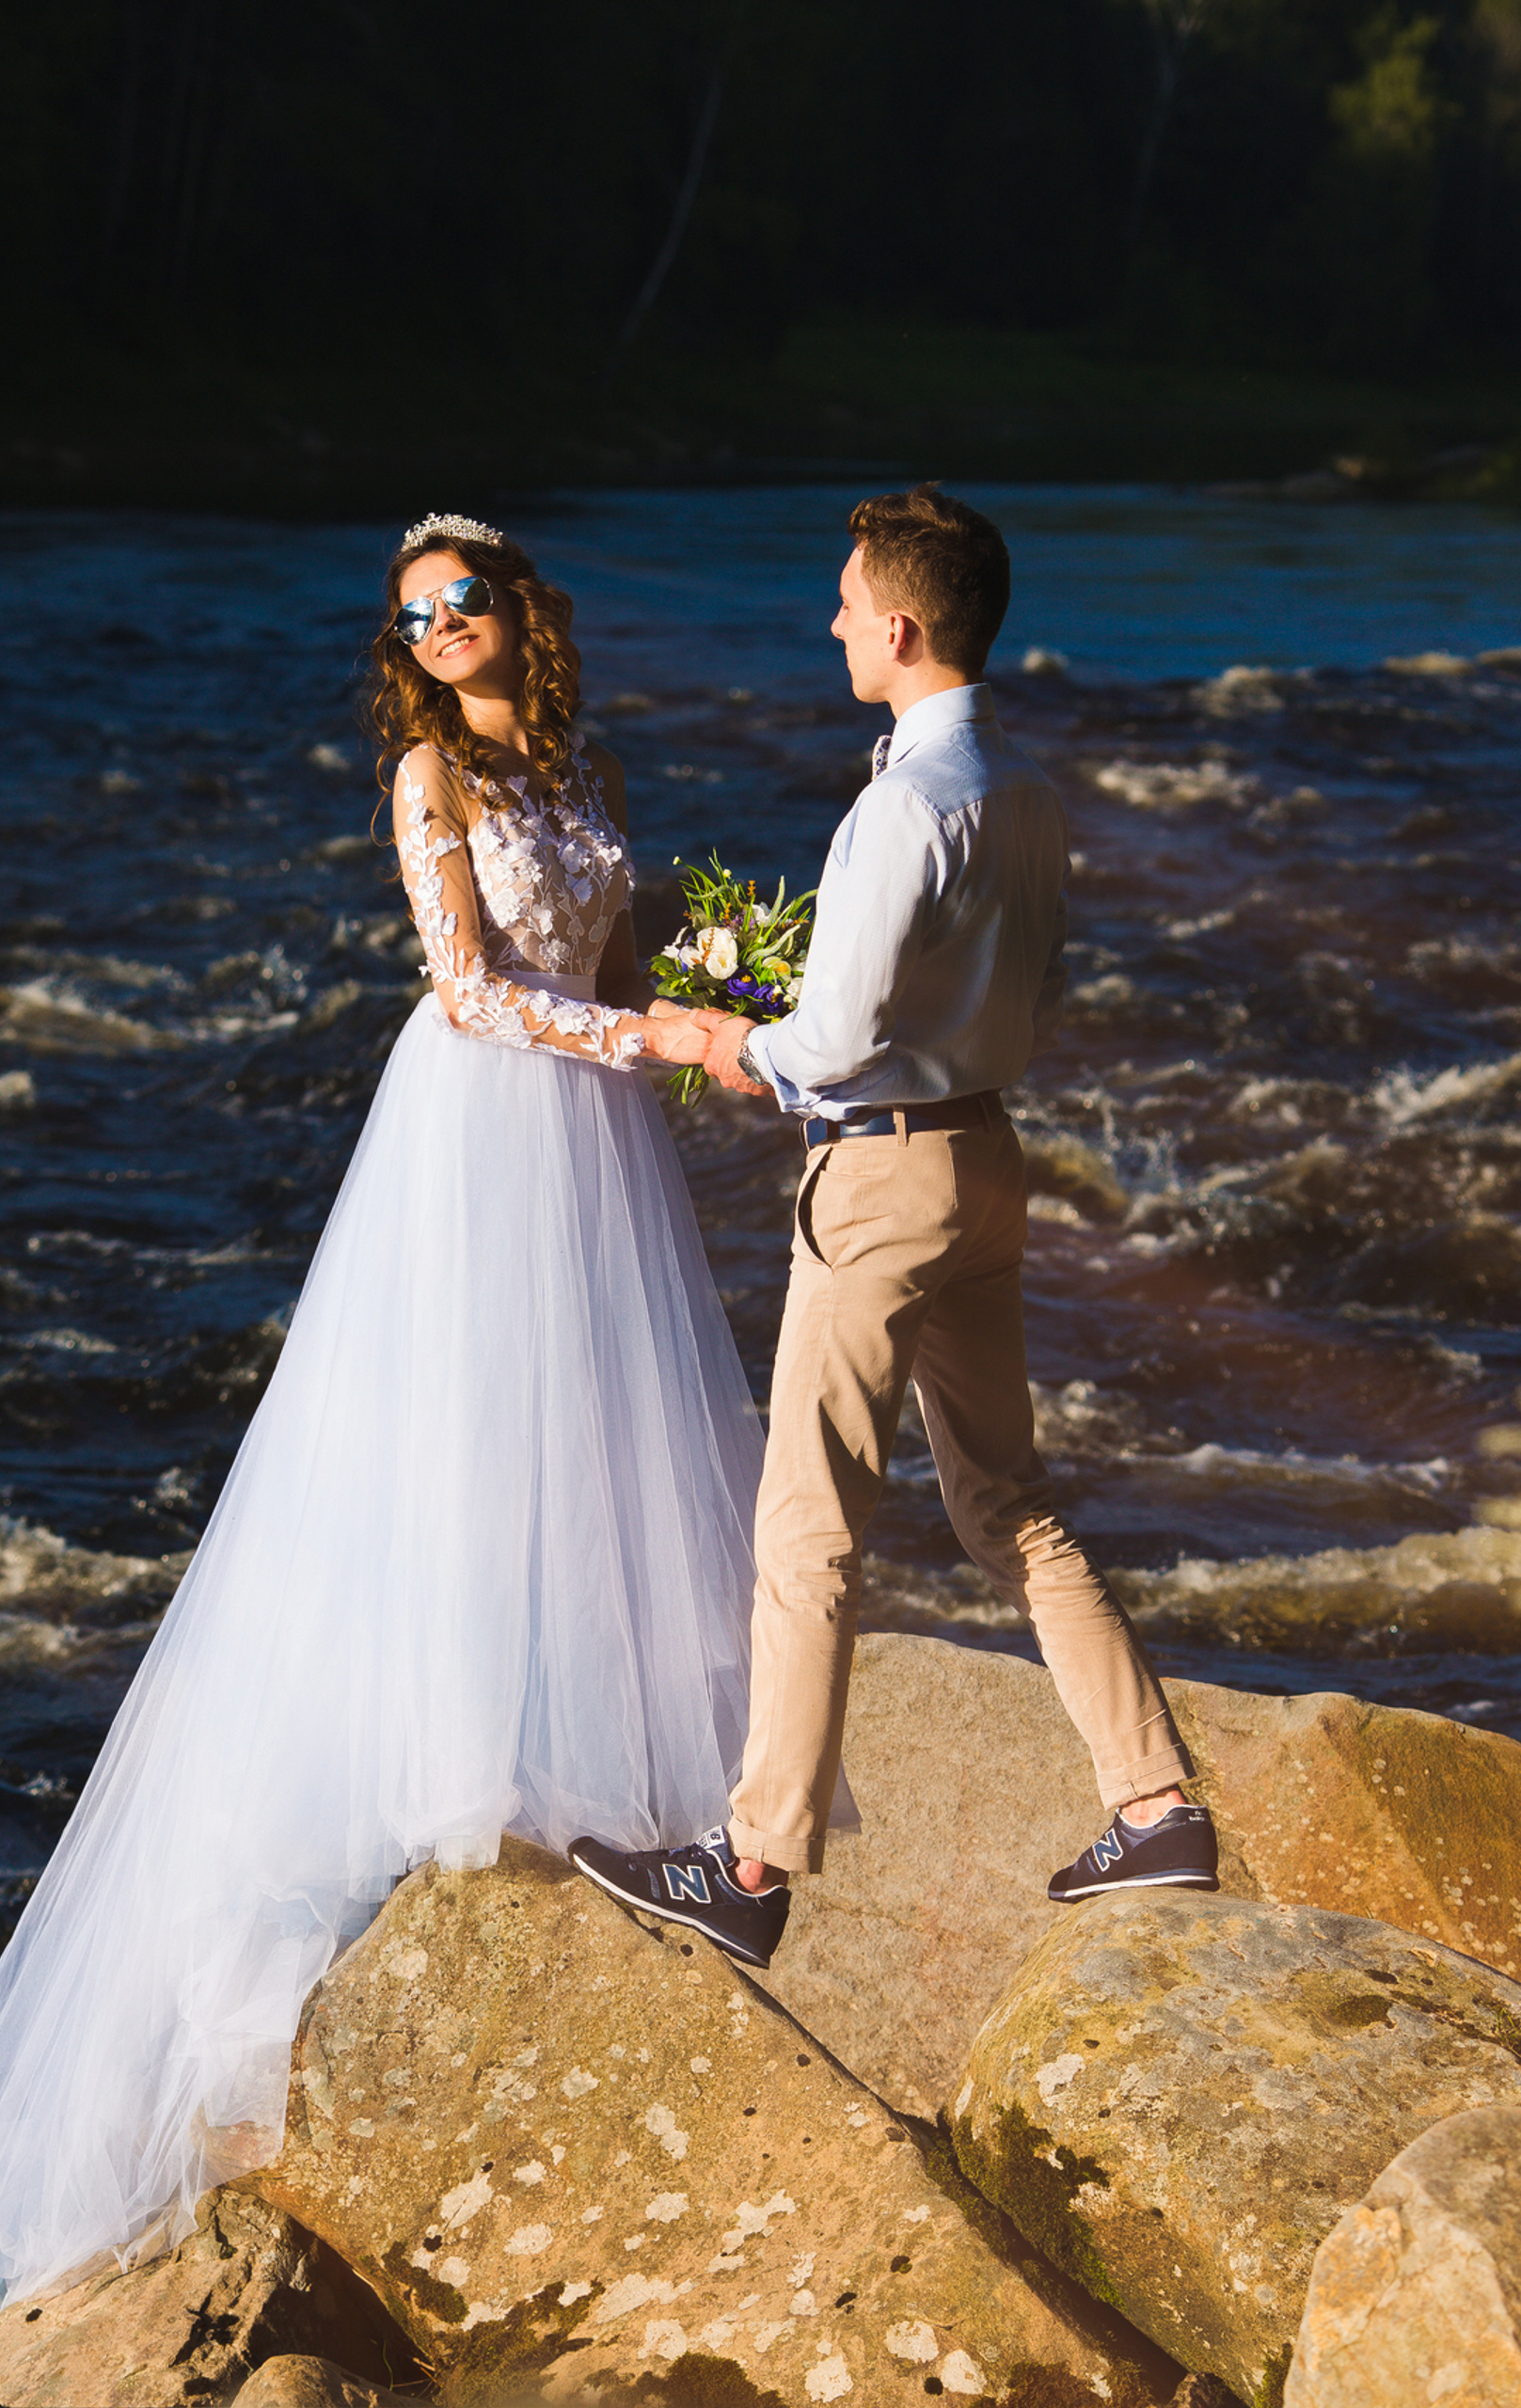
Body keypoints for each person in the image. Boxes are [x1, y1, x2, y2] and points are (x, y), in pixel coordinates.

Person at [0, 513, 848, 2311]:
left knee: (597, 1445)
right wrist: (649, 1039)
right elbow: (471, 988)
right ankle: (447, 1778)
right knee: (454, 1438)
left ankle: (609, 1797)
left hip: (592, 1132)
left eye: (461, 604)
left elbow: (616, 947)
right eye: (412, 619)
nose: (436, 635)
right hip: (485, 1127)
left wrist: (718, 989)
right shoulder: (425, 771)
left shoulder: (573, 758)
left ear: (519, 613)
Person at [572, 484, 1215, 1969]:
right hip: (989, 1164)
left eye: (850, 602)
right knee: (1008, 1501)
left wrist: (734, 1042)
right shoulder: (1030, 795)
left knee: (807, 1525)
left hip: (881, 1184)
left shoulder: (899, 807)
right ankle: (1154, 1802)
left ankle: (750, 1868)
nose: (836, 621)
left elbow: (841, 1034)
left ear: (905, 626)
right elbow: (1018, 995)